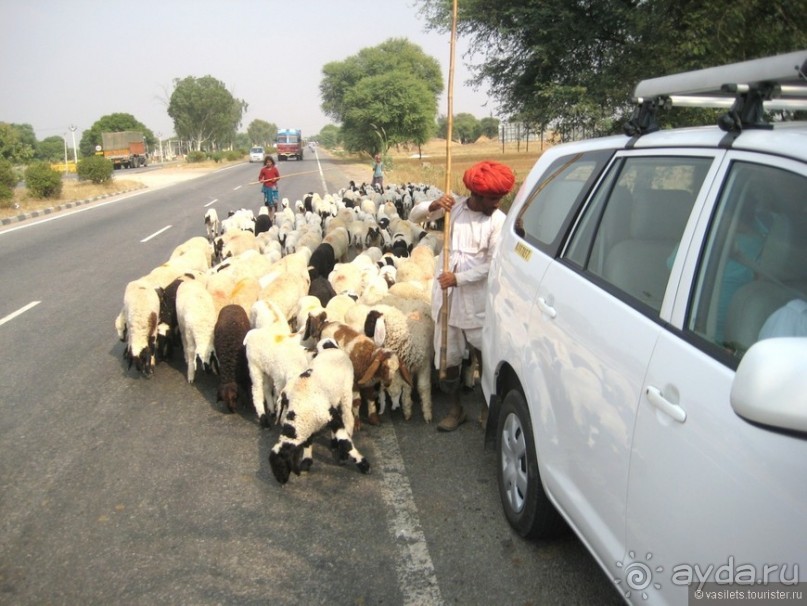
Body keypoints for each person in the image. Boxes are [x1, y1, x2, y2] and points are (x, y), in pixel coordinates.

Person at [408, 160, 516, 432]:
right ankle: (456, 410)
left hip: (477, 300)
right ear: (476, 195)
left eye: (499, 198)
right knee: (448, 358)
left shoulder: (499, 222)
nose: (497, 203)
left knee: (484, 356)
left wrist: (458, 278)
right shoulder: (453, 205)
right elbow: (414, 217)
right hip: (447, 299)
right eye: (492, 198)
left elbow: (493, 264)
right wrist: (434, 206)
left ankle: (485, 407)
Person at [258, 155, 280, 220]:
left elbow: (278, 177)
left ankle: (276, 214)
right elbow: (260, 178)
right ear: (265, 163)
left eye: (270, 162)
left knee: (275, 202)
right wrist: (261, 180)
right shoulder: (263, 170)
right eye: (267, 162)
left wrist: (275, 179)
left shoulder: (274, 169)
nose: (268, 163)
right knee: (268, 203)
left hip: (273, 187)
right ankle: (270, 217)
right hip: (266, 188)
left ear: (272, 162)